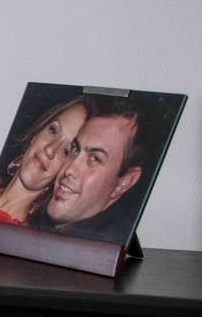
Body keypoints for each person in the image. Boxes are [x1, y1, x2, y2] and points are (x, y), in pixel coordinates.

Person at [37, 96, 150, 233]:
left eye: (95, 158)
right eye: (75, 149)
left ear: (124, 182)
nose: (69, 169)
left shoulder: (100, 247)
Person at [0, 94, 89, 226]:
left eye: (66, 151)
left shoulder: (15, 237)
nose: (50, 150)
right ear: (37, 133)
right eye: (53, 130)